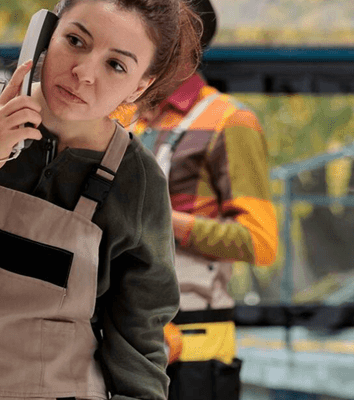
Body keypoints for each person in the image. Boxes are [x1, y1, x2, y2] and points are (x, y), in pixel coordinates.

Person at [0, 0, 203, 398]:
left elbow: (138, 343)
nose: (83, 73)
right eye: (75, 40)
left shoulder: (137, 180)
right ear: (44, 34)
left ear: (141, 85)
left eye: (116, 65)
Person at [111, 1, 278, 399]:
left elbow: (260, 242)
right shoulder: (123, 116)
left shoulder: (230, 121)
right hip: (121, 330)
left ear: (189, 44)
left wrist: (159, 219)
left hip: (194, 343)